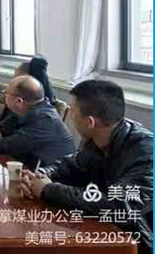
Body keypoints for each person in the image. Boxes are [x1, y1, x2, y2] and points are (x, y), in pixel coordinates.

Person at [20, 80, 153, 252]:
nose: (71, 117)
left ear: (90, 122)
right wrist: (39, 175)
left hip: (137, 242)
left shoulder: (146, 152)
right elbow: (70, 165)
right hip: (103, 231)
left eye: (73, 112)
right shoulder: (98, 140)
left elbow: (120, 206)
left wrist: (48, 189)